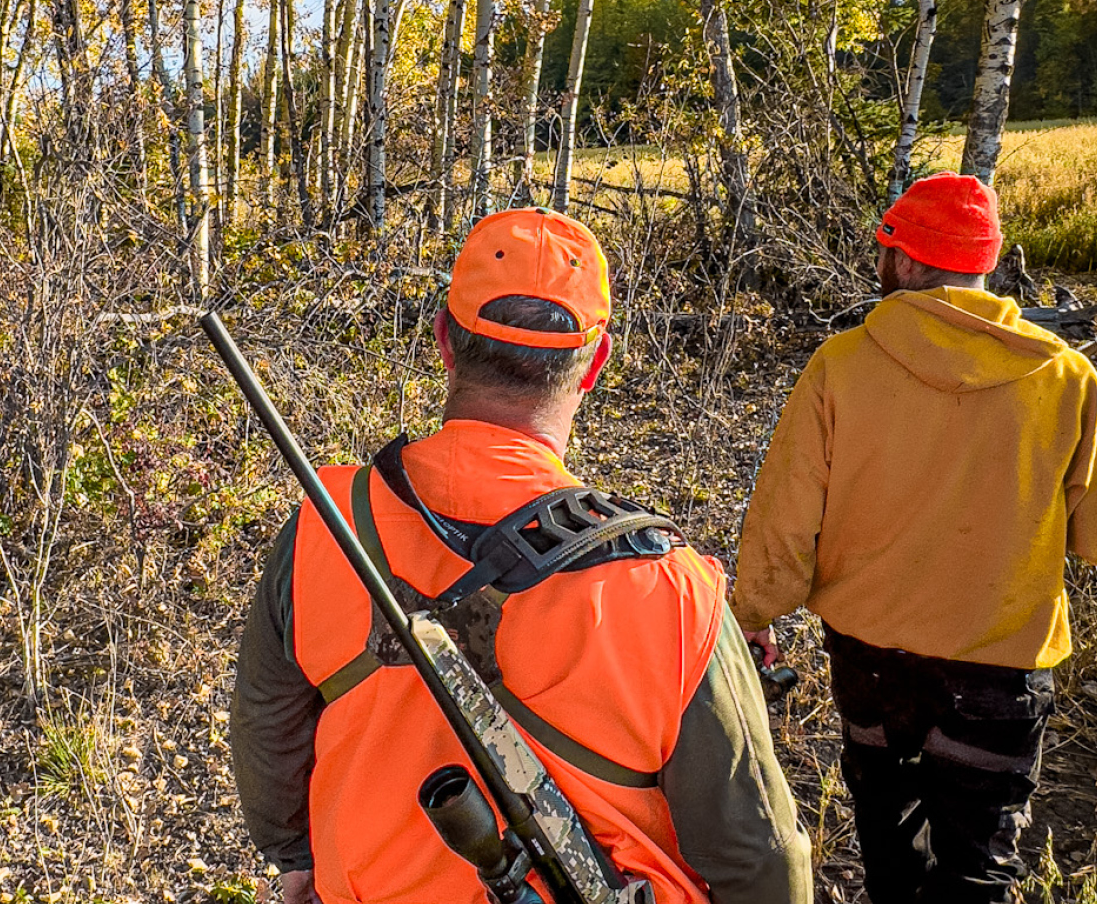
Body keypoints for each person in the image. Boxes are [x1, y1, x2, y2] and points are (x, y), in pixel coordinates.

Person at [232, 208, 813, 904]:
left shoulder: (327, 524)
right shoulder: (675, 591)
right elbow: (759, 858)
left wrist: (299, 858)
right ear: (596, 363)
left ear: (445, 340)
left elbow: (267, 722)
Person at [732, 173, 1097, 904]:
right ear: (986, 265)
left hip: (870, 664)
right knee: (977, 873)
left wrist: (749, 618)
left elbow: (781, 529)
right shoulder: (1065, 377)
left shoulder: (839, 367)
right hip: (998, 675)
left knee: (890, 851)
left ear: (901, 262)